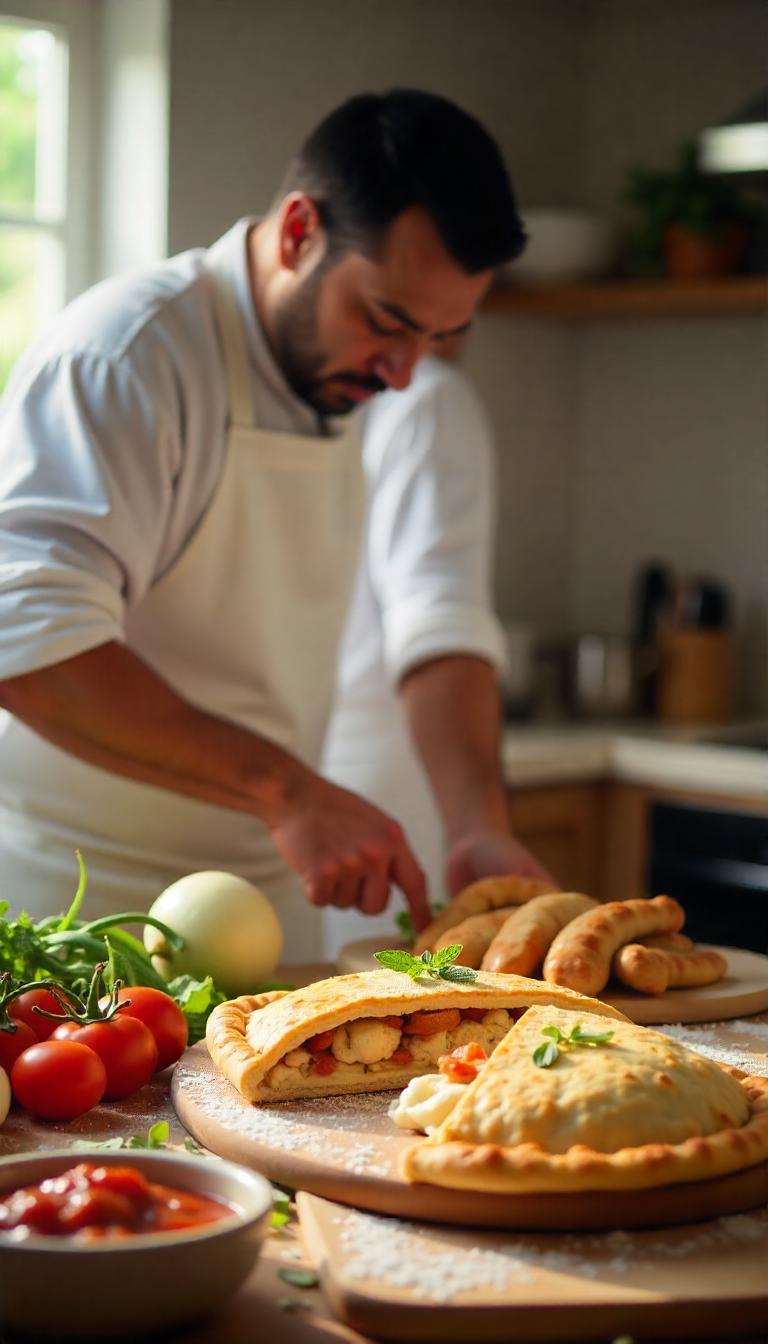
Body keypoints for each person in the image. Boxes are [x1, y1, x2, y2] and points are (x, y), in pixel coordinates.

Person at [0, 89, 526, 959]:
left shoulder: (355, 378)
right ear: (297, 234)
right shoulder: (126, 358)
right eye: (386, 320)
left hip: (263, 904)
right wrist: (291, 793)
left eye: (439, 337)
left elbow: (439, 613)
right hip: (74, 905)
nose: (403, 375)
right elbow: (28, 646)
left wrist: (475, 823)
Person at [321, 345, 553, 957]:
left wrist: (475, 825)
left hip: (359, 822)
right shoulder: (425, 396)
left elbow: (436, 618)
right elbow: (438, 614)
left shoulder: (411, 401)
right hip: (362, 811)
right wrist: (477, 825)